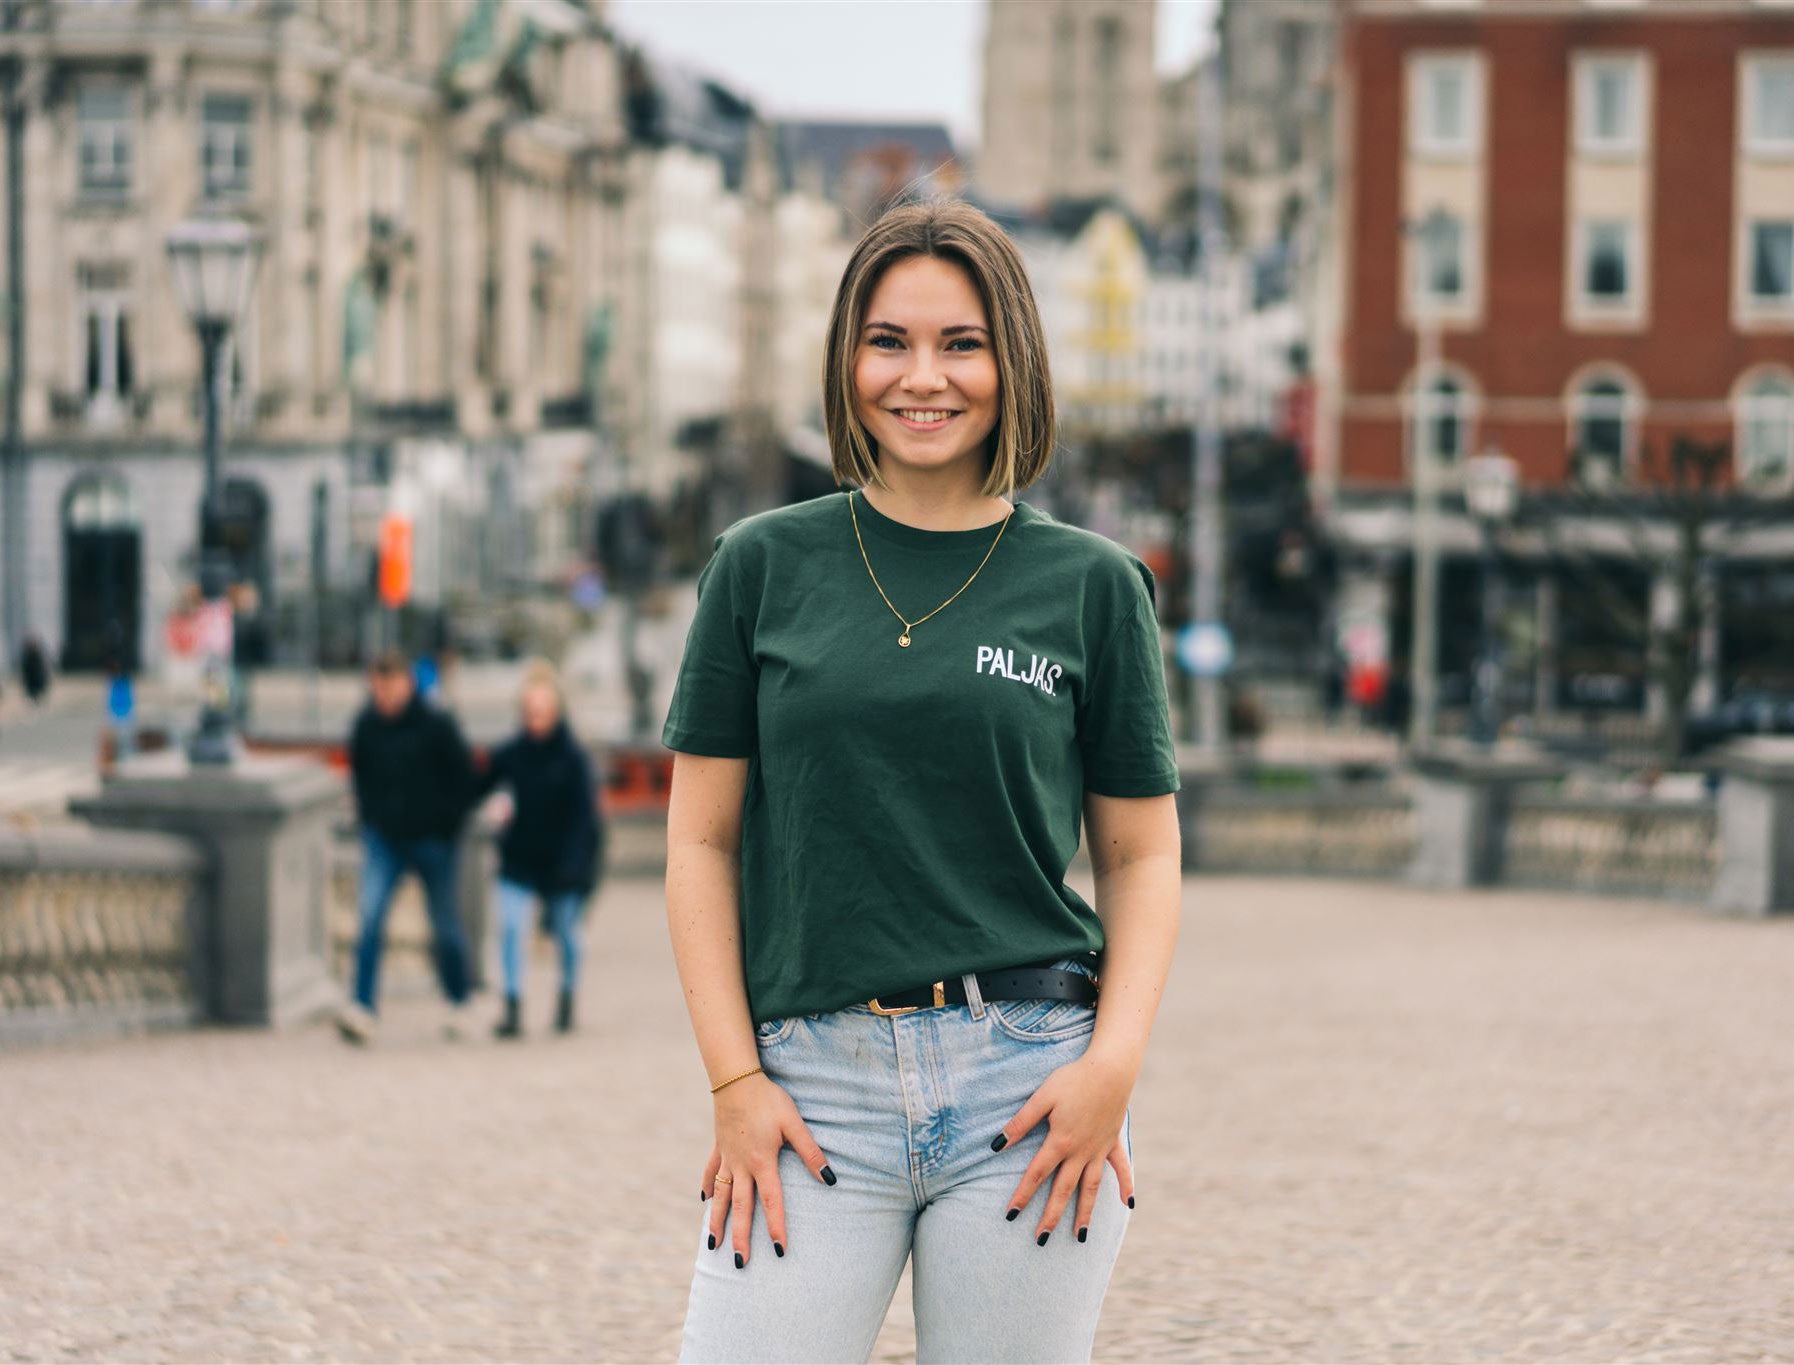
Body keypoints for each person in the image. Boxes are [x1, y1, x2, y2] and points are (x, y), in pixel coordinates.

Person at [662, 199, 1183, 1362]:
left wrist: (1113, 1068)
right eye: (889, 340)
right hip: (808, 1086)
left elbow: (1141, 855)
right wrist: (734, 1080)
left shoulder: (1094, 587)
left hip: (1031, 1085)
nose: (923, 378)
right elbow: (699, 842)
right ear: (849, 357)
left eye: (962, 343)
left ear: (1013, 362)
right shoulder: (760, 567)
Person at [336, 649, 478, 1045]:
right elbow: (360, 775)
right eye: (377, 688)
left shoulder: (436, 724)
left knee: (445, 924)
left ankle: (458, 1000)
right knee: (369, 918)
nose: (383, 696)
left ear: (406, 682)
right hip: (385, 838)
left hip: (433, 839)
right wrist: (370, 819)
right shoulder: (366, 725)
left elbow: (464, 778)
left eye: (389, 686)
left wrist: (447, 826)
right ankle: (362, 1006)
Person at [471, 659, 604, 1039]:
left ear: (557, 711)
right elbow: (475, 786)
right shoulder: (510, 754)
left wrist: (576, 869)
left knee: (566, 934)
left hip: (563, 862)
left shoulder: (575, 759)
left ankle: (566, 997)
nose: (537, 720)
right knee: (511, 929)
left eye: (543, 711)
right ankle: (512, 1006)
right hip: (519, 857)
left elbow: (585, 821)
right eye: (530, 712)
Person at [20, 632, 49, 706]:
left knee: (37, 690)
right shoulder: (27, 655)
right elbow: (25, 668)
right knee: (33, 691)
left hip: (37, 677)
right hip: (31, 678)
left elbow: (42, 668)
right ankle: (35, 700)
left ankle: (37, 700)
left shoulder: (38, 654)